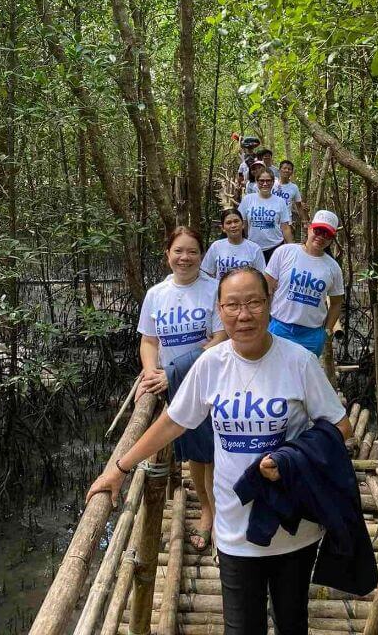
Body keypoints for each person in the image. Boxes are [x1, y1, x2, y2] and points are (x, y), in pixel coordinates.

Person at [86, 267, 352, 635]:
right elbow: (174, 421)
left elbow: (341, 427)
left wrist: (292, 458)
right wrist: (120, 468)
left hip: (294, 525)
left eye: (254, 303)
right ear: (220, 310)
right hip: (233, 525)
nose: (244, 315)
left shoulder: (299, 362)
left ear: (270, 304)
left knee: (293, 623)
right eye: (232, 305)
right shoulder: (211, 364)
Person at [136, 226, 226, 550]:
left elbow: (220, 339)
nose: (185, 258)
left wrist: (173, 371)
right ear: (168, 255)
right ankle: (207, 513)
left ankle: (218, 519)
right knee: (197, 460)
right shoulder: (156, 294)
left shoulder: (214, 289)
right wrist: (151, 373)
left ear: (201, 256)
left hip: (212, 382)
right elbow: (149, 340)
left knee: (216, 456)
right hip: (177, 388)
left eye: (192, 251)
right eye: (178, 251)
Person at [265, 210, 344, 357]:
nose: (321, 237)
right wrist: (264, 320)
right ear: (309, 228)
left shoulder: (333, 268)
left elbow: (337, 302)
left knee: (303, 378)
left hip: (311, 335)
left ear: (332, 238)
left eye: (326, 234)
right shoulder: (284, 252)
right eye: (318, 230)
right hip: (279, 327)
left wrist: (326, 331)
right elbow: (266, 287)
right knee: (273, 374)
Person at [238, 166, 292, 263]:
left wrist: (291, 248)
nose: (265, 184)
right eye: (261, 181)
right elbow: (242, 224)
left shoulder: (280, 202)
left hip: (275, 247)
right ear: (257, 181)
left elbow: (285, 227)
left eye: (268, 181)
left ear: (272, 182)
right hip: (252, 247)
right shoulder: (248, 199)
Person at [202, 208, 266, 279]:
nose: (233, 225)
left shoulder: (254, 248)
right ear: (223, 228)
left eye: (236, 221)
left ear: (243, 225)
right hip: (221, 289)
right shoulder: (216, 246)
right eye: (228, 223)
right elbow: (206, 273)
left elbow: (261, 277)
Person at [273, 160, 309, 226]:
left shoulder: (294, 187)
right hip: (271, 219)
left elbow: (299, 206)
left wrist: (304, 220)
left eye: (289, 169)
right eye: (284, 168)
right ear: (279, 170)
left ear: (292, 172)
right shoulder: (272, 183)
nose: (286, 170)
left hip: (286, 221)